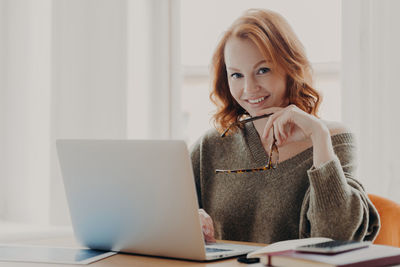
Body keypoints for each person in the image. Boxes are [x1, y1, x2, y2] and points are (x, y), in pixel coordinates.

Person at [190, 8, 380, 244]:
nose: (249, 88)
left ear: (290, 68)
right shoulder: (212, 145)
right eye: (236, 75)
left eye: (263, 70)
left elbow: (336, 236)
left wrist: (318, 137)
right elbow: (163, 214)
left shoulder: (333, 139)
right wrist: (189, 220)